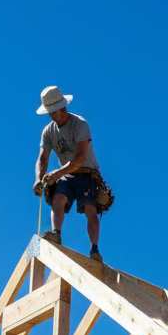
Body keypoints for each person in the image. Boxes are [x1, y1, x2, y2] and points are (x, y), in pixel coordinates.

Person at [33, 86, 105, 263]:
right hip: (67, 174)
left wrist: (57, 173)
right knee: (57, 199)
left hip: (86, 172)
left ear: (63, 108)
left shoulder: (80, 124)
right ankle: (56, 234)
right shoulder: (48, 131)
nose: (52, 116)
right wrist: (38, 179)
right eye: (50, 113)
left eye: (54, 112)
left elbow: (80, 158)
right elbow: (42, 158)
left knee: (90, 209)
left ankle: (94, 250)